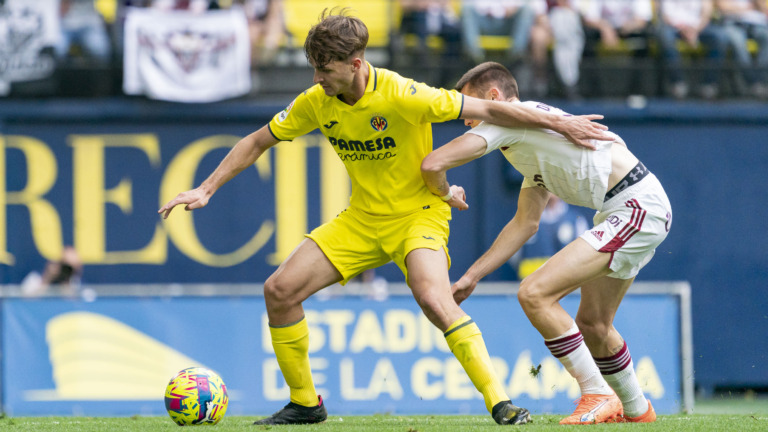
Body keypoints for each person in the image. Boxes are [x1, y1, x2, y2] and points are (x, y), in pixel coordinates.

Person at [158, 9, 609, 426]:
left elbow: (491, 109)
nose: (317, 79)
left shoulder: (404, 94)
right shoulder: (316, 101)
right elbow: (258, 141)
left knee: (434, 299)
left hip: (419, 216)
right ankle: (306, 404)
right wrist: (206, 188)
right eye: (314, 69)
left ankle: (500, 403)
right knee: (279, 291)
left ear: (355, 64)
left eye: (325, 70)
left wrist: (562, 123)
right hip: (361, 219)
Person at [421, 62, 672, 424]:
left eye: (469, 105)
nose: (465, 117)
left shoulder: (507, 121)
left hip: (635, 207)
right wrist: (471, 277)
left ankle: (597, 392)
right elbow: (525, 224)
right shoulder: (529, 134)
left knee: (534, 293)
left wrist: (446, 193)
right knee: (594, 324)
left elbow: (433, 164)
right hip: (631, 207)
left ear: (494, 98)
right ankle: (638, 410)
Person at [656, 0, 728, 100]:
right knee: (664, 36)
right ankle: (678, 83)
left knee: (720, 37)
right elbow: (664, 16)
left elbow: (706, 12)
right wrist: (684, 30)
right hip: (674, 28)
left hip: (699, 28)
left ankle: (708, 85)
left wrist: (695, 30)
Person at [580, 0, 654, 96]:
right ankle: (592, 90)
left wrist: (626, 28)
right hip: (603, 30)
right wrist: (605, 28)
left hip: (629, 30)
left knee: (644, 39)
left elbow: (642, 19)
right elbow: (589, 18)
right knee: (587, 36)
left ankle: (638, 90)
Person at [715, 0, 768, 98]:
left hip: (757, 24)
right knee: (738, 43)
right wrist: (748, 8)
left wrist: (757, 4)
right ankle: (753, 83)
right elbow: (723, 7)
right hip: (732, 24)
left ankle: (761, 82)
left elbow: (763, 9)